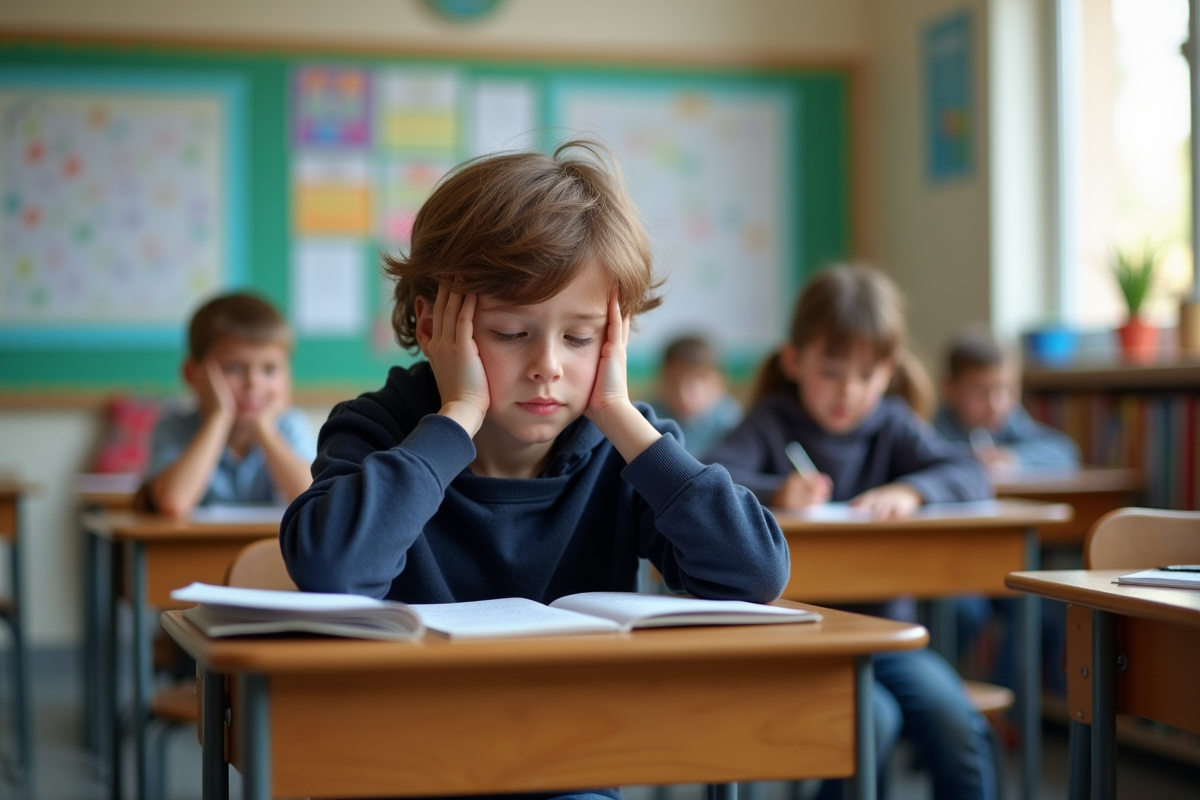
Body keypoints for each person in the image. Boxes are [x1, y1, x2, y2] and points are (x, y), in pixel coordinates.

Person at [280, 141, 789, 800]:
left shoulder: (627, 447)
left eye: (580, 338)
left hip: (568, 762)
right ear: (433, 326)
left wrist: (618, 413)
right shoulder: (377, 429)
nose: (548, 365)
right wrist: (457, 417)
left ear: (615, 338)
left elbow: (754, 572)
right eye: (512, 333)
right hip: (403, 763)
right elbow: (331, 569)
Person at [704, 265, 997, 800]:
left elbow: (969, 471)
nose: (850, 391)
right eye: (832, 372)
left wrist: (912, 490)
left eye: (867, 375)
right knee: (873, 721)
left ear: (889, 371)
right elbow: (709, 478)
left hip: (888, 639)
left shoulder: (893, 423)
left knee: (953, 717)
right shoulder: (771, 421)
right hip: (797, 645)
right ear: (794, 361)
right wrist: (777, 491)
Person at [141, 292, 316, 517]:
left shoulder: (290, 426)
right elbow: (174, 502)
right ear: (193, 374)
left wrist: (264, 427)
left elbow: (313, 498)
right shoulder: (175, 427)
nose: (254, 383)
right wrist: (218, 417)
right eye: (235, 368)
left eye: (269, 369)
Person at [934, 324, 1080, 469]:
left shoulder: (1010, 420)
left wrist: (1013, 458)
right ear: (949, 389)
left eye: (1007, 390)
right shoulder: (931, 429)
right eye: (979, 393)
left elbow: (1064, 451)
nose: (995, 406)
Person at [648, 334, 742, 458]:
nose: (684, 396)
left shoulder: (730, 418)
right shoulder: (648, 416)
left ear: (719, 383)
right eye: (674, 383)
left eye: (698, 383)